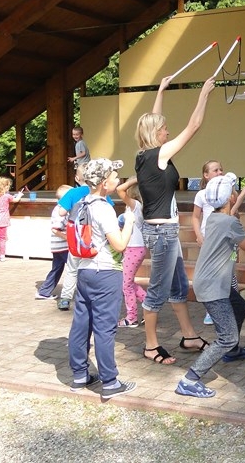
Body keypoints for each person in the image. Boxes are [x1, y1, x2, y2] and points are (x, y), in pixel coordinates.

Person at [135, 75, 216, 365]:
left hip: (164, 232)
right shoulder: (157, 155)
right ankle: (150, 345)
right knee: (157, 291)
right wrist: (203, 93)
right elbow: (193, 126)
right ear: (155, 134)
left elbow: (154, 118)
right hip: (162, 234)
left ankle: (189, 336)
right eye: (164, 129)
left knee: (179, 286)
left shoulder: (145, 155)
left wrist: (161, 91)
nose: (168, 131)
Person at [175, 174, 245, 398]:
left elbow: (229, 215)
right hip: (213, 287)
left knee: (240, 305)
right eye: (234, 191)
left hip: (211, 282)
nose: (235, 193)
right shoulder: (228, 222)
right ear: (230, 197)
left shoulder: (215, 217)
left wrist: (240, 199)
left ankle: (232, 352)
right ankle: (189, 380)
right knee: (227, 336)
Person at [67, 158, 137, 399]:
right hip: (106, 273)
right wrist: (129, 223)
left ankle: (79, 375)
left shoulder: (81, 204)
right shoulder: (104, 207)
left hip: (85, 271)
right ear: (104, 183)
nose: (118, 178)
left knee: (81, 325)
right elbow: (119, 244)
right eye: (115, 176)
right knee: (104, 329)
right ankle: (110, 382)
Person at [192, 162, 245, 325]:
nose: (220, 172)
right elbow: (196, 217)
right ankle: (216, 310)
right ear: (206, 175)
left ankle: (229, 306)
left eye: (221, 169)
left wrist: (240, 197)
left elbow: (229, 214)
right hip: (211, 239)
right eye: (215, 170)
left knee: (229, 274)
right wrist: (199, 235)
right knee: (218, 276)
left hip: (226, 239)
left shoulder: (225, 199)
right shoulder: (203, 195)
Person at [55, 164, 115, 311]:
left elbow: (61, 212)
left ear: (77, 178)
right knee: (94, 266)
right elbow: (110, 208)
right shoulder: (100, 193)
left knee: (72, 268)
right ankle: (91, 296)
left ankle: (65, 298)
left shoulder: (72, 192)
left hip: (77, 236)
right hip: (95, 237)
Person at [115, 176, 147, 328]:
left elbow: (119, 190)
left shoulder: (135, 205)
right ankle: (149, 304)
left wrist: (134, 180)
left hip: (134, 248)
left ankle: (132, 317)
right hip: (134, 248)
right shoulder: (136, 206)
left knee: (126, 284)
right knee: (129, 282)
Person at [35, 184, 73, 300]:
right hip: (63, 246)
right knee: (75, 269)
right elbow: (55, 229)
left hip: (58, 247)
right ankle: (83, 292)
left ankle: (44, 292)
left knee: (57, 269)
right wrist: (69, 238)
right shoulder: (60, 210)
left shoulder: (60, 208)